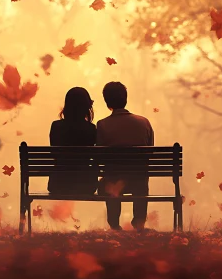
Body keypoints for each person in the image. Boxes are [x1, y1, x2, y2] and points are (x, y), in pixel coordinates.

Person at [97, 81, 154, 231]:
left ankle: (114, 224)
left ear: (106, 101)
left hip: (113, 182)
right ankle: (139, 221)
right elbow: (149, 153)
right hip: (138, 183)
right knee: (142, 176)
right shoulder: (144, 123)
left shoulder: (102, 125)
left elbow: (100, 158)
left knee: (109, 180)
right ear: (126, 98)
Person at [48, 87, 98, 195]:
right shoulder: (91, 128)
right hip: (86, 185)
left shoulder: (56, 126)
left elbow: (54, 153)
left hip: (58, 184)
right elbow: (93, 158)